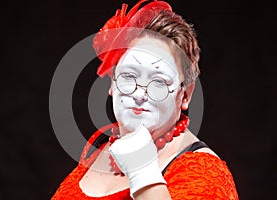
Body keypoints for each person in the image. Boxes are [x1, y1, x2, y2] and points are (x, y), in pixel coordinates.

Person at [52, 0, 239, 199]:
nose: (140, 94)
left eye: (158, 82)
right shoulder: (99, 143)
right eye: (128, 76)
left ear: (185, 95)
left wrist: (143, 173)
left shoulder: (206, 173)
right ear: (113, 84)